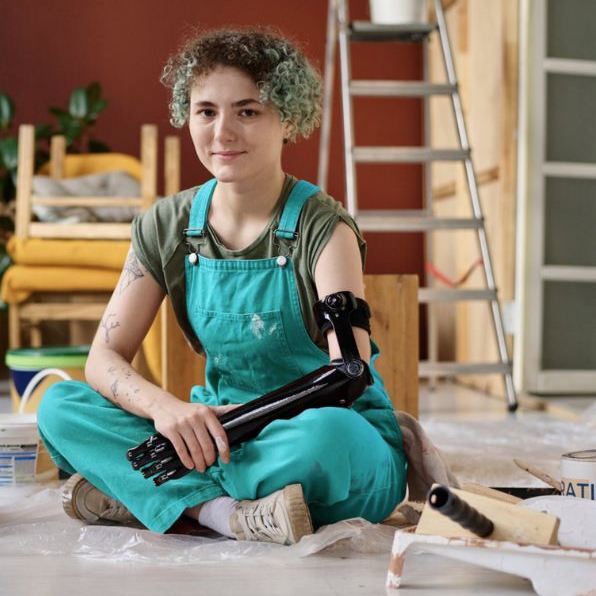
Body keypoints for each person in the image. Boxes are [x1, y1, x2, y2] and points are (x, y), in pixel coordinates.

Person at [37, 27, 406, 545]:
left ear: (289, 118)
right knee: (61, 407)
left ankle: (157, 493)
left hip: (313, 434)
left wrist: (240, 425)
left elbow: (347, 373)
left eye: (247, 111)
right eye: (206, 111)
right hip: (211, 434)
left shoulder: (324, 228)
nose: (222, 133)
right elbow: (104, 357)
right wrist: (170, 412)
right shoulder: (165, 225)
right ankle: (224, 513)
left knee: (328, 439)